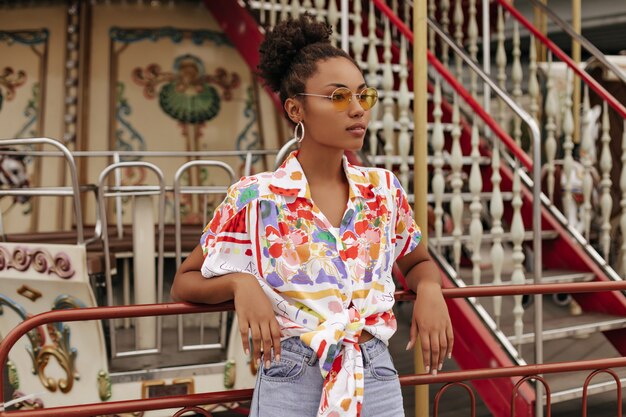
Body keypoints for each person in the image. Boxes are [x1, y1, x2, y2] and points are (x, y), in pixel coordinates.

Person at [171, 14, 453, 417]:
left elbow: (418, 261)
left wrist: (429, 290)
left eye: (363, 95)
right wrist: (240, 283)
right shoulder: (256, 196)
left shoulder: (383, 191)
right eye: (338, 97)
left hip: (373, 373)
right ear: (295, 108)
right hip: (291, 375)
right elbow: (184, 282)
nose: (357, 110)